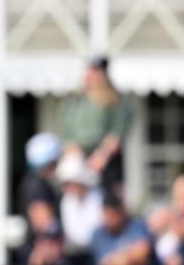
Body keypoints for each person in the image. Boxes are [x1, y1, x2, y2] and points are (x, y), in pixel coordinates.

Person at [57, 56, 133, 198]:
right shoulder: (75, 102)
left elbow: (117, 133)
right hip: (78, 159)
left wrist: (101, 156)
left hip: (104, 161)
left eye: (95, 71)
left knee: (108, 201)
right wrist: (73, 151)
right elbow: (66, 134)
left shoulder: (115, 101)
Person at [17, 132, 65, 265]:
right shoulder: (38, 185)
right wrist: (49, 247)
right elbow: (45, 224)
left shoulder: (32, 183)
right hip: (41, 259)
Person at [55, 152, 102, 265]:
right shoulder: (66, 202)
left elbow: (96, 231)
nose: (66, 188)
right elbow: (74, 234)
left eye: (69, 183)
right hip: (76, 256)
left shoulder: (99, 197)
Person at [89, 194, 152, 265]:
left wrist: (121, 259)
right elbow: (103, 264)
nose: (110, 219)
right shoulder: (97, 235)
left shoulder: (137, 226)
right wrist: (125, 258)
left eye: (113, 215)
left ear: (121, 212)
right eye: (107, 215)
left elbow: (143, 251)